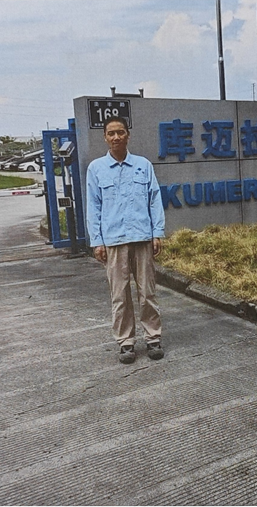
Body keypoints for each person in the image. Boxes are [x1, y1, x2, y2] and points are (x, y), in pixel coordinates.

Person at [86, 116, 166, 364]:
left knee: (147, 292)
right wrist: (97, 241)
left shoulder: (143, 165)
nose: (116, 137)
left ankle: (153, 338)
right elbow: (93, 206)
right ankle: (126, 342)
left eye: (120, 132)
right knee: (120, 295)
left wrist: (157, 233)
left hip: (142, 237)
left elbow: (154, 199)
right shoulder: (96, 168)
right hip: (114, 240)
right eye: (111, 133)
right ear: (105, 137)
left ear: (128, 135)